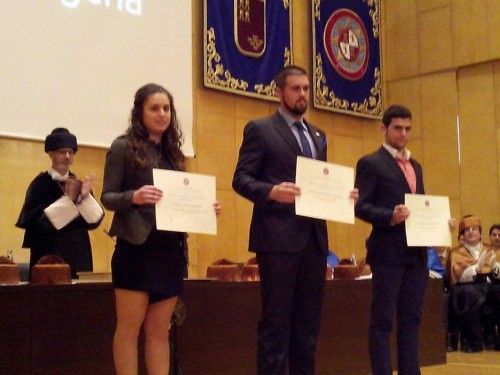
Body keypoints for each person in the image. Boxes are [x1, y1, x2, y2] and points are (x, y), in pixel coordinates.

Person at [232, 65, 357, 375]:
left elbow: (320, 183)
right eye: (296, 88)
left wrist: (342, 195)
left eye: (306, 88)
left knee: (307, 328)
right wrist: (271, 191)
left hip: (314, 241)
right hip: (277, 240)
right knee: (276, 325)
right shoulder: (260, 130)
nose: (303, 94)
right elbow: (241, 179)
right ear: (279, 92)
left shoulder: (318, 136)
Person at [101, 83, 220, 375]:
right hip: (136, 251)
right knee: (128, 331)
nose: (162, 114)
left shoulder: (174, 154)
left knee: (159, 333)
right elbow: (107, 197)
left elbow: (180, 201)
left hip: (169, 252)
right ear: (139, 112)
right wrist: (135, 197)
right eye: (154, 108)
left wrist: (205, 208)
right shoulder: (122, 147)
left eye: (166, 108)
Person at [354, 104, 454, 374]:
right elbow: (360, 206)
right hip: (387, 254)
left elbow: (421, 207)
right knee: (383, 321)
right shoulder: (370, 163)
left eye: (408, 129)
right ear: (383, 128)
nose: (403, 134)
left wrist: (441, 225)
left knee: (412, 320)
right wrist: (390, 215)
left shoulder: (416, 166)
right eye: (397, 128)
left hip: (416, 255)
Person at [16, 128, 104, 278]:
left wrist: (84, 198)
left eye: (71, 152)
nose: (67, 156)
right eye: (62, 152)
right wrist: (68, 202)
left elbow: (93, 222)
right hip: (48, 255)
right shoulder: (39, 184)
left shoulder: (78, 184)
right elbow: (37, 223)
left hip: (78, 255)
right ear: (51, 154)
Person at [446, 216, 497, 352]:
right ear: (462, 235)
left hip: (489, 284)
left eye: (474, 229)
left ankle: (495, 340)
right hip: (467, 285)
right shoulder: (456, 252)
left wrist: (495, 268)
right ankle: (475, 342)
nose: (471, 232)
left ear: (480, 233)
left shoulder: (490, 249)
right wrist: (476, 268)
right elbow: (458, 276)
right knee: (470, 294)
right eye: (466, 230)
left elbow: (495, 272)